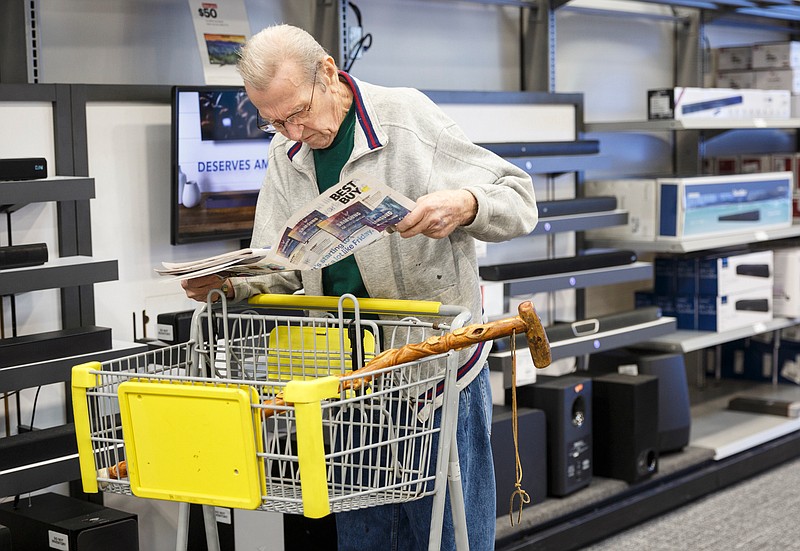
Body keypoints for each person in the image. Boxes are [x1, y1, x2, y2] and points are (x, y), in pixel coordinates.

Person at [182, 23, 538, 551]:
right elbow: (280, 266)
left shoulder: (407, 119)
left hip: (432, 377)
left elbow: (519, 197)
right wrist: (230, 285)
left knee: (448, 537)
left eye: (298, 113)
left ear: (328, 73)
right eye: (274, 122)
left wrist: (466, 204)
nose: (293, 133)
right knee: (365, 539)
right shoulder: (287, 154)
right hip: (347, 385)